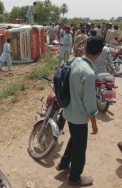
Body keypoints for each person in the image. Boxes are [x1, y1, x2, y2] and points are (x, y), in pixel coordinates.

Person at [56, 36, 104, 186]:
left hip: (68, 111)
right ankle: (75, 177)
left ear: (85, 48)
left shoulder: (75, 61)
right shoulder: (88, 73)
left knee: (74, 139)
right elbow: (90, 104)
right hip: (78, 116)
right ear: (100, 53)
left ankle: (63, 164)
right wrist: (94, 124)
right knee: (80, 147)